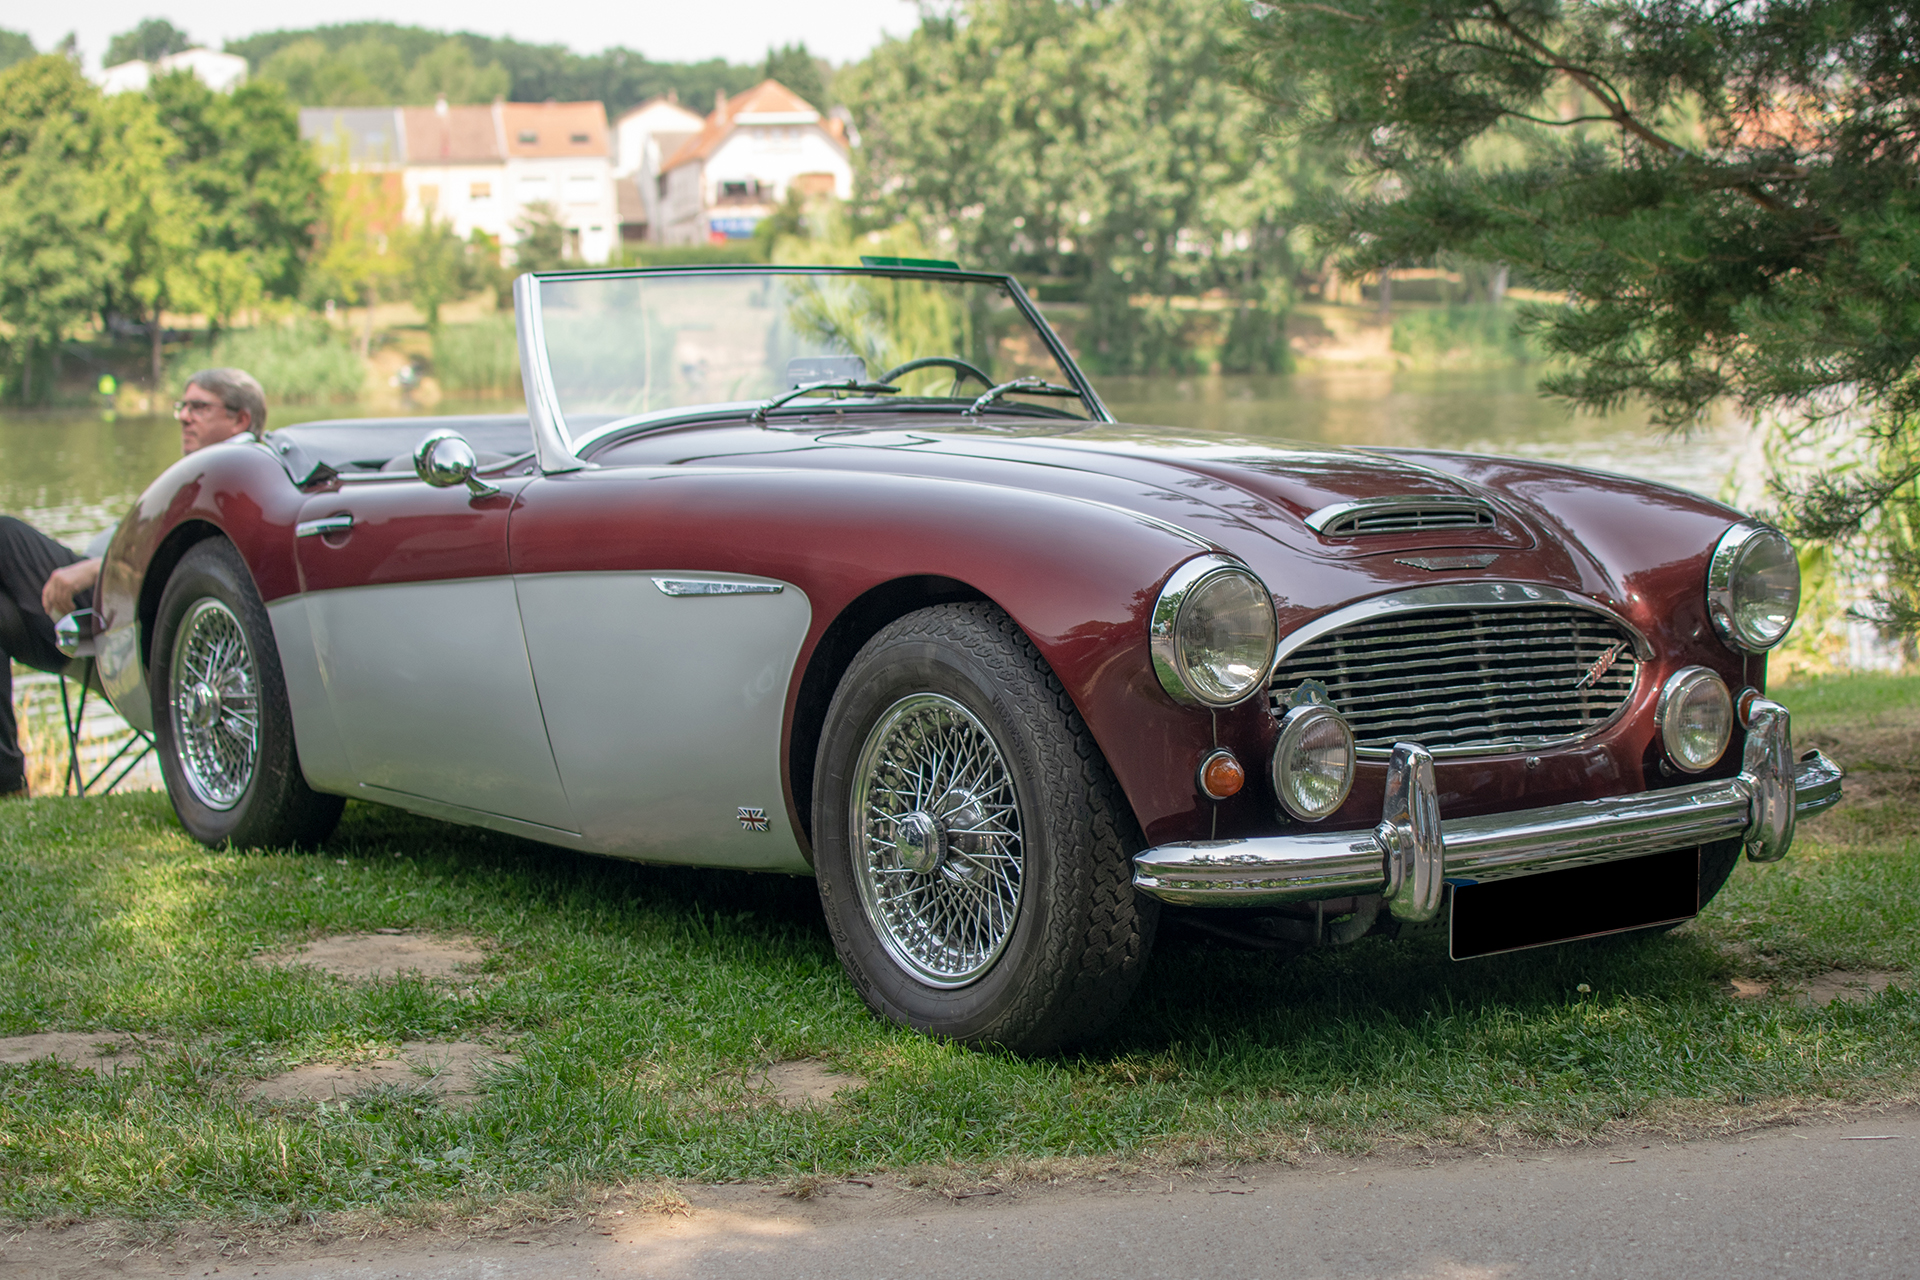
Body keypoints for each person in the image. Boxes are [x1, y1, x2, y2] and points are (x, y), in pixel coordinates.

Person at [0, 367, 265, 797]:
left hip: (127, 622)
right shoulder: (197, 476)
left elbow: (198, 561)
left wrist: (95, 570)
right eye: (183, 406)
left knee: (5, 535)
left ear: (241, 420)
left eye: (199, 407)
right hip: (97, 620)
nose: (183, 416)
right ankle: (7, 784)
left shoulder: (240, 476)